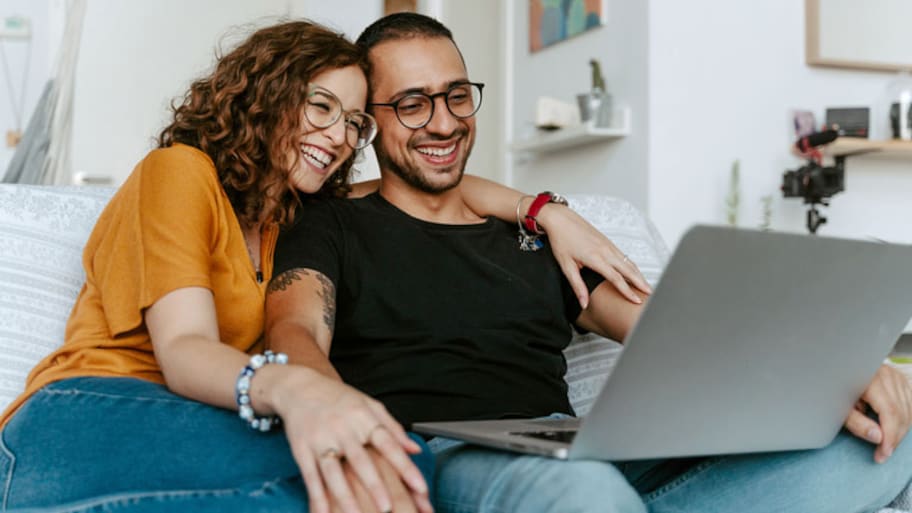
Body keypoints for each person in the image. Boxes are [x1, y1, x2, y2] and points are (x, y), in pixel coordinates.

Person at [265, 12, 912, 513]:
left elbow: (674, 329)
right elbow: (294, 330)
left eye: (456, 95)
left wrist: (840, 367)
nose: (442, 123)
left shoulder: (540, 235)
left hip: (577, 443)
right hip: (452, 450)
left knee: (888, 439)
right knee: (587, 492)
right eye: (412, 103)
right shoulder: (331, 221)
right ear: (371, 122)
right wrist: (344, 418)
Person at [0, 18, 648, 513]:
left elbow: (426, 191)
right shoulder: (181, 171)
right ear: (267, 94)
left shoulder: (289, 211)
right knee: (393, 464)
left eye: (355, 122)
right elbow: (185, 347)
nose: (340, 136)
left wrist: (541, 208)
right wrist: (303, 389)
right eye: (321, 107)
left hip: (190, 421)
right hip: (90, 405)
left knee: (374, 474)